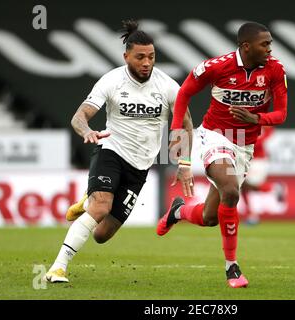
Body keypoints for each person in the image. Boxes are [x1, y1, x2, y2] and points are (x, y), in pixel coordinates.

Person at [43, 20, 193, 283]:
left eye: (151, 57)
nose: (147, 63)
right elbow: (80, 116)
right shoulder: (112, 81)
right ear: (126, 57)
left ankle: (86, 202)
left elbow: (187, 121)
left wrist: (185, 162)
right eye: (140, 57)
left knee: (102, 235)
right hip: (111, 151)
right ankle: (58, 267)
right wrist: (86, 130)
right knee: (101, 207)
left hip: (140, 166)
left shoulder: (167, 85)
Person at [156, 22, 288, 288]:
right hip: (213, 136)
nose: (270, 49)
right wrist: (177, 135)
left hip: (244, 145)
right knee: (230, 191)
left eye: (270, 44)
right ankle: (232, 268)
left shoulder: (275, 70)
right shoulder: (216, 67)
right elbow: (184, 94)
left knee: (209, 217)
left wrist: (256, 117)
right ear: (246, 46)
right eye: (265, 44)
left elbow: (281, 114)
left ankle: (179, 212)